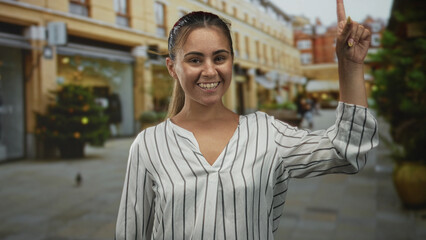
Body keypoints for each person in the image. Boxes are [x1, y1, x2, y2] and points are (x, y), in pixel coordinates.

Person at [115, 1, 379, 239]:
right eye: (195, 60)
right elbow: (130, 232)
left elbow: (345, 151)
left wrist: (350, 65)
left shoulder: (266, 133)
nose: (210, 71)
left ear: (231, 62)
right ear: (173, 68)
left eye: (219, 57)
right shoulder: (149, 145)